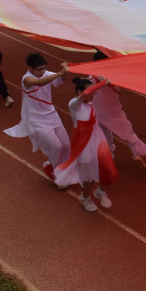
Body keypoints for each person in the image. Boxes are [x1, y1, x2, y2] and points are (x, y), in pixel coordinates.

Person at [54, 77, 117, 212]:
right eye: (91, 91)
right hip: (83, 143)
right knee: (89, 177)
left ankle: (100, 191)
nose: (94, 94)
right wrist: (103, 83)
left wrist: (105, 82)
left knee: (109, 170)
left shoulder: (91, 104)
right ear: (79, 92)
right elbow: (85, 94)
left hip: (97, 139)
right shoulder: (73, 104)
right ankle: (85, 197)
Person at [5, 53, 72, 181]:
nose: (43, 71)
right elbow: (39, 83)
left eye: (44, 68)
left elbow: (63, 80)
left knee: (66, 145)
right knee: (56, 146)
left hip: (52, 115)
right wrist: (60, 72)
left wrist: (64, 71)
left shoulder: (46, 73)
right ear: (30, 68)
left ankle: (63, 169)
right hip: (37, 119)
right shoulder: (26, 79)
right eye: (39, 69)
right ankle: (56, 173)